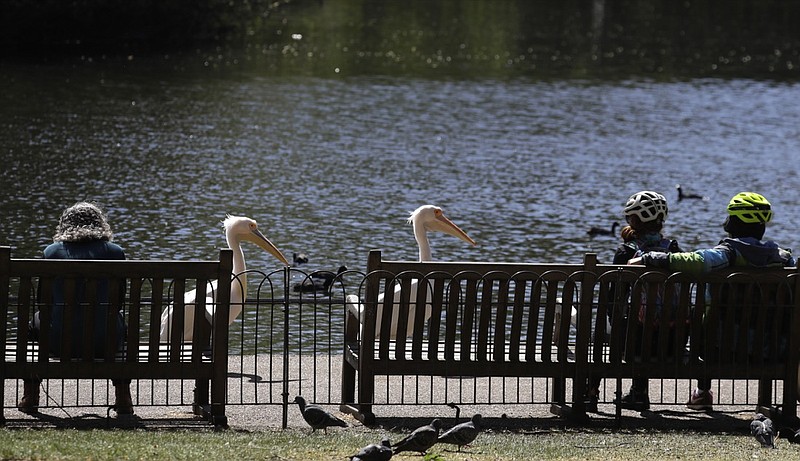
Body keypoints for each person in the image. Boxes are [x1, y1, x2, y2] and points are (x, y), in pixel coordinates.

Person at [633, 192, 795, 411]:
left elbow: (697, 261)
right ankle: (769, 403)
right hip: (773, 349)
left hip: (718, 347)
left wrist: (649, 257)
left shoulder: (729, 253)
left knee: (704, 322)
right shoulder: (784, 260)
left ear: (733, 223)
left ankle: (702, 393)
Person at [18, 202, 134, 415]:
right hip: (104, 343)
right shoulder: (115, 252)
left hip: (59, 343)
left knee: (33, 323)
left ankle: (31, 395)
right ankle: (123, 398)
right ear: (101, 224)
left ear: (65, 224)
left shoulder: (51, 252)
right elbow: (118, 302)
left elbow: (44, 304)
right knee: (117, 321)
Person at [584, 190, 683, 412]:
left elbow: (612, 302)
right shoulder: (674, 251)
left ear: (634, 220)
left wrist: (615, 321)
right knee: (644, 324)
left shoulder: (626, 253)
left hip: (633, 343)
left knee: (603, 331)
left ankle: (590, 392)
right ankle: (639, 393)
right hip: (672, 342)